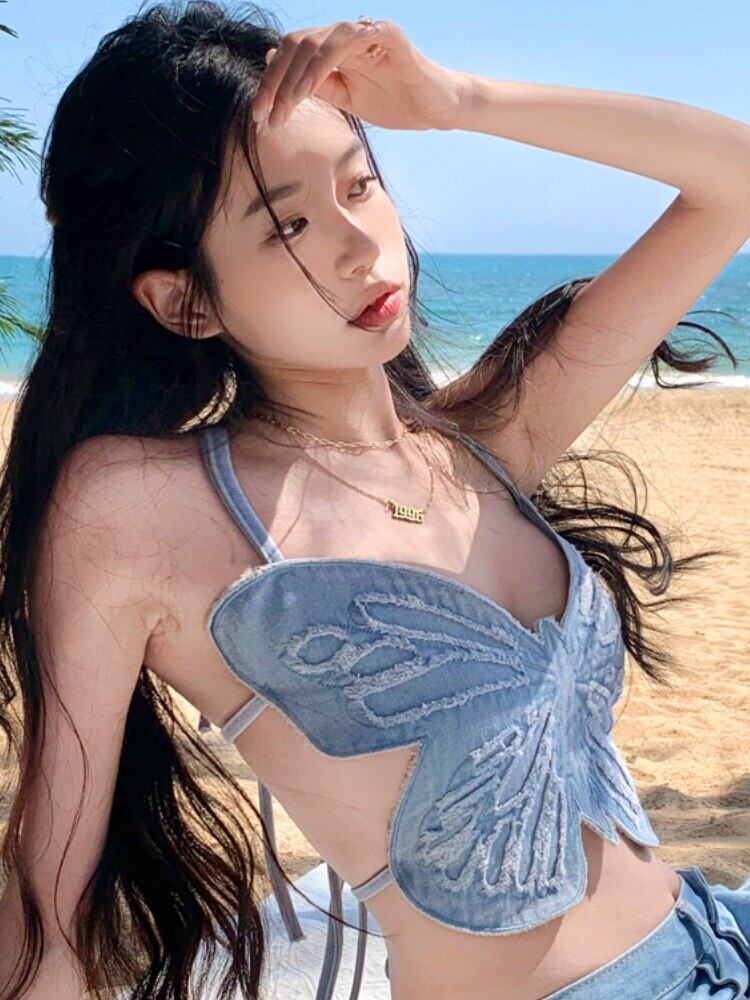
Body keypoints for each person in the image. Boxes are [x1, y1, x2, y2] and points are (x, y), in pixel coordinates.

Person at [1, 2, 749, 997]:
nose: (361, 244)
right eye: (290, 225)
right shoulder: (140, 506)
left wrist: (461, 101)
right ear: (185, 300)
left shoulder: (481, 440)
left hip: (714, 929)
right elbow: (49, 901)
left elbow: (734, 181)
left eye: (360, 184)